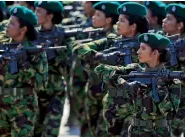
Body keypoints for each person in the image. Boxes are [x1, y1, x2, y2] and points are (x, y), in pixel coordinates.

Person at [73, 2, 149, 136]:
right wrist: (100, 56)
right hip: (111, 105)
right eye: (118, 20)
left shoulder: (146, 46)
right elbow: (79, 48)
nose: (117, 24)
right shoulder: (112, 42)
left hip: (134, 107)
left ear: (133, 26)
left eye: (122, 21)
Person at [95, 33, 182, 137]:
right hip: (135, 132)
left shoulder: (171, 81)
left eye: (143, 49)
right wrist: (124, 84)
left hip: (159, 133)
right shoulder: (134, 70)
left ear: (155, 53)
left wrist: (159, 89)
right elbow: (100, 69)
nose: (138, 52)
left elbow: (170, 114)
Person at [71, 2, 120, 137]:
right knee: (87, 128)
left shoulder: (115, 40)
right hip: (91, 91)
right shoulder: (92, 35)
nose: (93, 17)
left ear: (109, 20)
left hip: (107, 94)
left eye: (98, 15)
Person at [0, 6, 48, 137]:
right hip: (0, 107)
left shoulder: (35, 51)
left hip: (22, 109)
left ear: (23, 29)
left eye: (12, 24)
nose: (7, 26)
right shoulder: (1, 45)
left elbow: (41, 84)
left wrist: (25, 63)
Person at [162, 3, 185, 137]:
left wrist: (182, 57)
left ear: (180, 25)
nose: (163, 21)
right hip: (158, 99)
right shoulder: (159, 41)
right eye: (165, 18)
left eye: (169, 19)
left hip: (179, 103)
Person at [33, 1, 68, 137]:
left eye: (39, 11)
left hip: (55, 91)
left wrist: (55, 53)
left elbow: (68, 64)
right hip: (36, 91)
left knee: (50, 132)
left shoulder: (63, 35)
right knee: (34, 131)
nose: (35, 14)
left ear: (49, 16)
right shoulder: (32, 35)